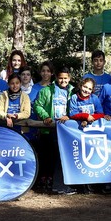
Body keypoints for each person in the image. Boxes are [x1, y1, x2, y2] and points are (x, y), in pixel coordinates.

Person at [33, 66, 75, 195]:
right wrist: (45, 116)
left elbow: (75, 107)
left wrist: (69, 116)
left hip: (66, 129)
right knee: (50, 157)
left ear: (69, 78)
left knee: (62, 157)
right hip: (49, 129)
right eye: (61, 78)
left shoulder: (72, 91)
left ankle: (60, 184)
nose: (63, 81)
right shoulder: (47, 91)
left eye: (65, 78)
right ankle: (54, 185)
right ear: (56, 77)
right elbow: (37, 105)